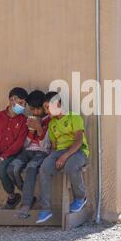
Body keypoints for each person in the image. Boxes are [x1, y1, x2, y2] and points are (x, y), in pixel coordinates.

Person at [36, 92, 90, 224]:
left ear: (57, 104)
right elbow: (54, 147)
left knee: (71, 166)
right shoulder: (52, 124)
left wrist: (64, 157)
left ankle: (80, 198)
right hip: (59, 152)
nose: (46, 111)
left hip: (78, 151)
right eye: (45, 108)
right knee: (44, 168)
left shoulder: (74, 117)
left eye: (48, 107)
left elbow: (78, 141)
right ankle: (46, 209)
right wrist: (53, 160)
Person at [7, 90, 51, 219]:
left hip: (42, 153)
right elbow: (25, 144)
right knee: (12, 169)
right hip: (27, 151)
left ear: (44, 107)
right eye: (33, 109)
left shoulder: (49, 120)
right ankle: (29, 196)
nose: (36, 112)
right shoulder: (28, 119)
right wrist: (31, 131)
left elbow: (45, 146)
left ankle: (25, 205)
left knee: (31, 168)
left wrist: (39, 128)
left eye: (38, 109)